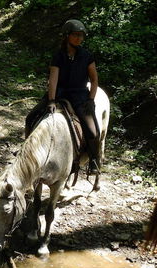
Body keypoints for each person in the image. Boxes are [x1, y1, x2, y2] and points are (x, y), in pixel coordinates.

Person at [25, 19, 101, 175]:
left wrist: (91, 100)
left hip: (80, 96)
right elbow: (53, 79)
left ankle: (94, 160)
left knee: (93, 132)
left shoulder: (87, 56)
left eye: (81, 36)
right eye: (75, 35)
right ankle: (26, 152)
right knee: (30, 117)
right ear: (67, 36)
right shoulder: (58, 56)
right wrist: (51, 100)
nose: (79, 38)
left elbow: (94, 80)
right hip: (60, 94)